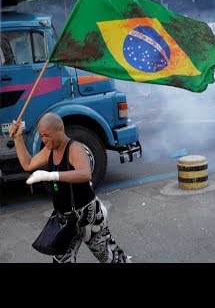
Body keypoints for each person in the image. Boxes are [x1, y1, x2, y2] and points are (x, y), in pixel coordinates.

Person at [9, 112, 131, 263]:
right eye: (41, 136)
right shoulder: (49, 149)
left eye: (47, 135)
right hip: (66, 220)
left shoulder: (75, 148)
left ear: (60, 130)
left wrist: (51, 176)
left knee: (109, 257)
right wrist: (18, 138)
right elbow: (28, 164)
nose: (44, 140)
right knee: (61, 260)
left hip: (88, 216)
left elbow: (85, 174)